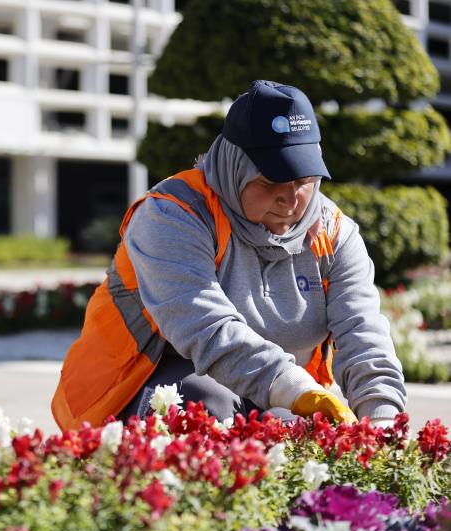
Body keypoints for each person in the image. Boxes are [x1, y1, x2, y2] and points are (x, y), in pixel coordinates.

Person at [52, 80, 406, 431]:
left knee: (296, 434)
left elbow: (362, 331)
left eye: (303, 180)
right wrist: (296, 390)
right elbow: (207, 328)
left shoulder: (334, 233)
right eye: (270, 182)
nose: (290, 199)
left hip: (277, 390)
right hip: (129, 394)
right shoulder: (172, 216)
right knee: (200, 405)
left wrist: (382, 418)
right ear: (235, 167)